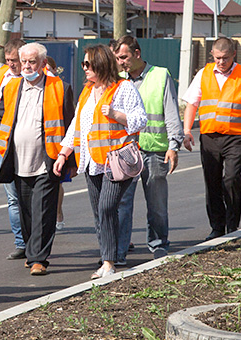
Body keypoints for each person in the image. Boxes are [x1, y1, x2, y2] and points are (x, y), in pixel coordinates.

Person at [53, 44, 146, 280]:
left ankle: (109, 261)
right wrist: (64, 153)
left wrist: (116, 114)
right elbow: (76, 126)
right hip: (91, 162)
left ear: (101, 64)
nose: (84, 68)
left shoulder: (123, 88)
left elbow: (140, 120)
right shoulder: (87, 91)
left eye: (88, 64)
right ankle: (107, 258)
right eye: (83, 63)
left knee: (106, 208)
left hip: (116, 162)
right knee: (99, 213)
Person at [0, 43, 76, 275]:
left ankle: (39, 259)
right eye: (24, 62)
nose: (27, 66)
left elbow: (71, 125)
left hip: (48, 161)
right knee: (26, 212)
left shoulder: (59, 87)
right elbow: (2, 116)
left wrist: (70, 162)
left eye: (32, 62)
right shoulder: (11, 87)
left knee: (43, 211)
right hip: (18, 162)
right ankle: (33, 251)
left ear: (43, 64)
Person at [182, 37, 241, 241]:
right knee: (212, 182)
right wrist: (187, 130)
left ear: (233, 55)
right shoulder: (203, 74)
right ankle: (217, 226)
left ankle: (232, 224)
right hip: (209, 137)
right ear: (212, 55)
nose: (221, 62)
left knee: (231, 179)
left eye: (225, 58)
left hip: (236, 138)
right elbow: (192, 104)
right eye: (217, 58)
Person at [111, 36, 185, 261]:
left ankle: (158, 244)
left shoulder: (160, 75)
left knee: (156, 202)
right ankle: (120, 250)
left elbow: (171, 112)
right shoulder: (117, 80)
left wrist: (174, 146)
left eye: (123, 57)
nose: (120, 62)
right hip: (126, 151)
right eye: (116, 58)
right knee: (122, 203)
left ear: (137, 53)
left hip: (155, 150)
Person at [0, 38, 28, 260]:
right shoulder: (2, 77)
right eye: (8, 60)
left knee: (31, 198)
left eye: (14, 60)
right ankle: (21, 243)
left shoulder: (42, 79)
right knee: (13, 198)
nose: (11, 64)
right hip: (7, 148)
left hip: (31, 150)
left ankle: (35, 241)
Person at [45, 55, 74, 232]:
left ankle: (57, 212)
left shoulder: (62, 88)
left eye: (49, 68)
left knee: (57, 184)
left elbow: (70, 119)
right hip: (41, 146)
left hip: (59, 146)